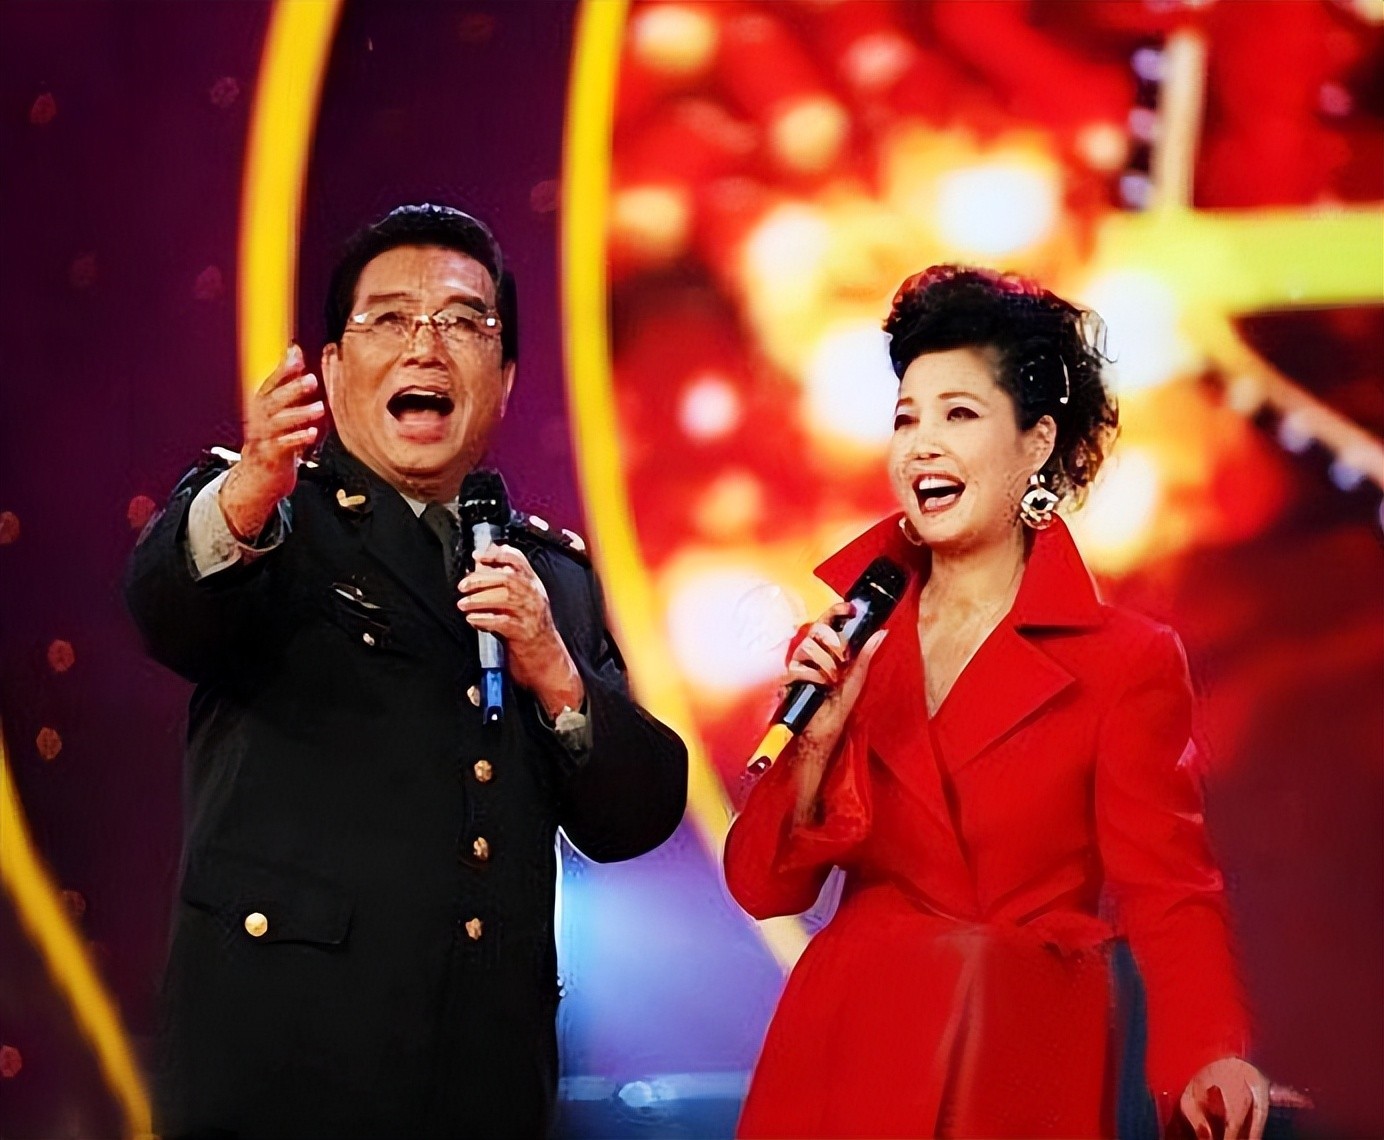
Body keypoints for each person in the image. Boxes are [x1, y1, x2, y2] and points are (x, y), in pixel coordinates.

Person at [126, 203, 688, 1139]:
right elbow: (164, 607)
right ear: (333, 368)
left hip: (481, 1082)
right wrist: (251, 488)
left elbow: (637, 813)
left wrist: (554, 671)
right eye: (388, 318)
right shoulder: (270, 519)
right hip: (283, 1078)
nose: (426, 345)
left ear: (505, 378)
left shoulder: (548, 577)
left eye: (464, 322)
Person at [724, 266, 1270, 1139]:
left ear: (1036, 443)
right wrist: (815, 745)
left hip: (1014, 1053)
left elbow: (1170, 892)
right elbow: (761, 886)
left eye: (959, 415)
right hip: (850, 1051)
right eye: (906, 418)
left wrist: (1210, 1051)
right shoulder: (847, 641)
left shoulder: (1124, 663)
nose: (921, 445)